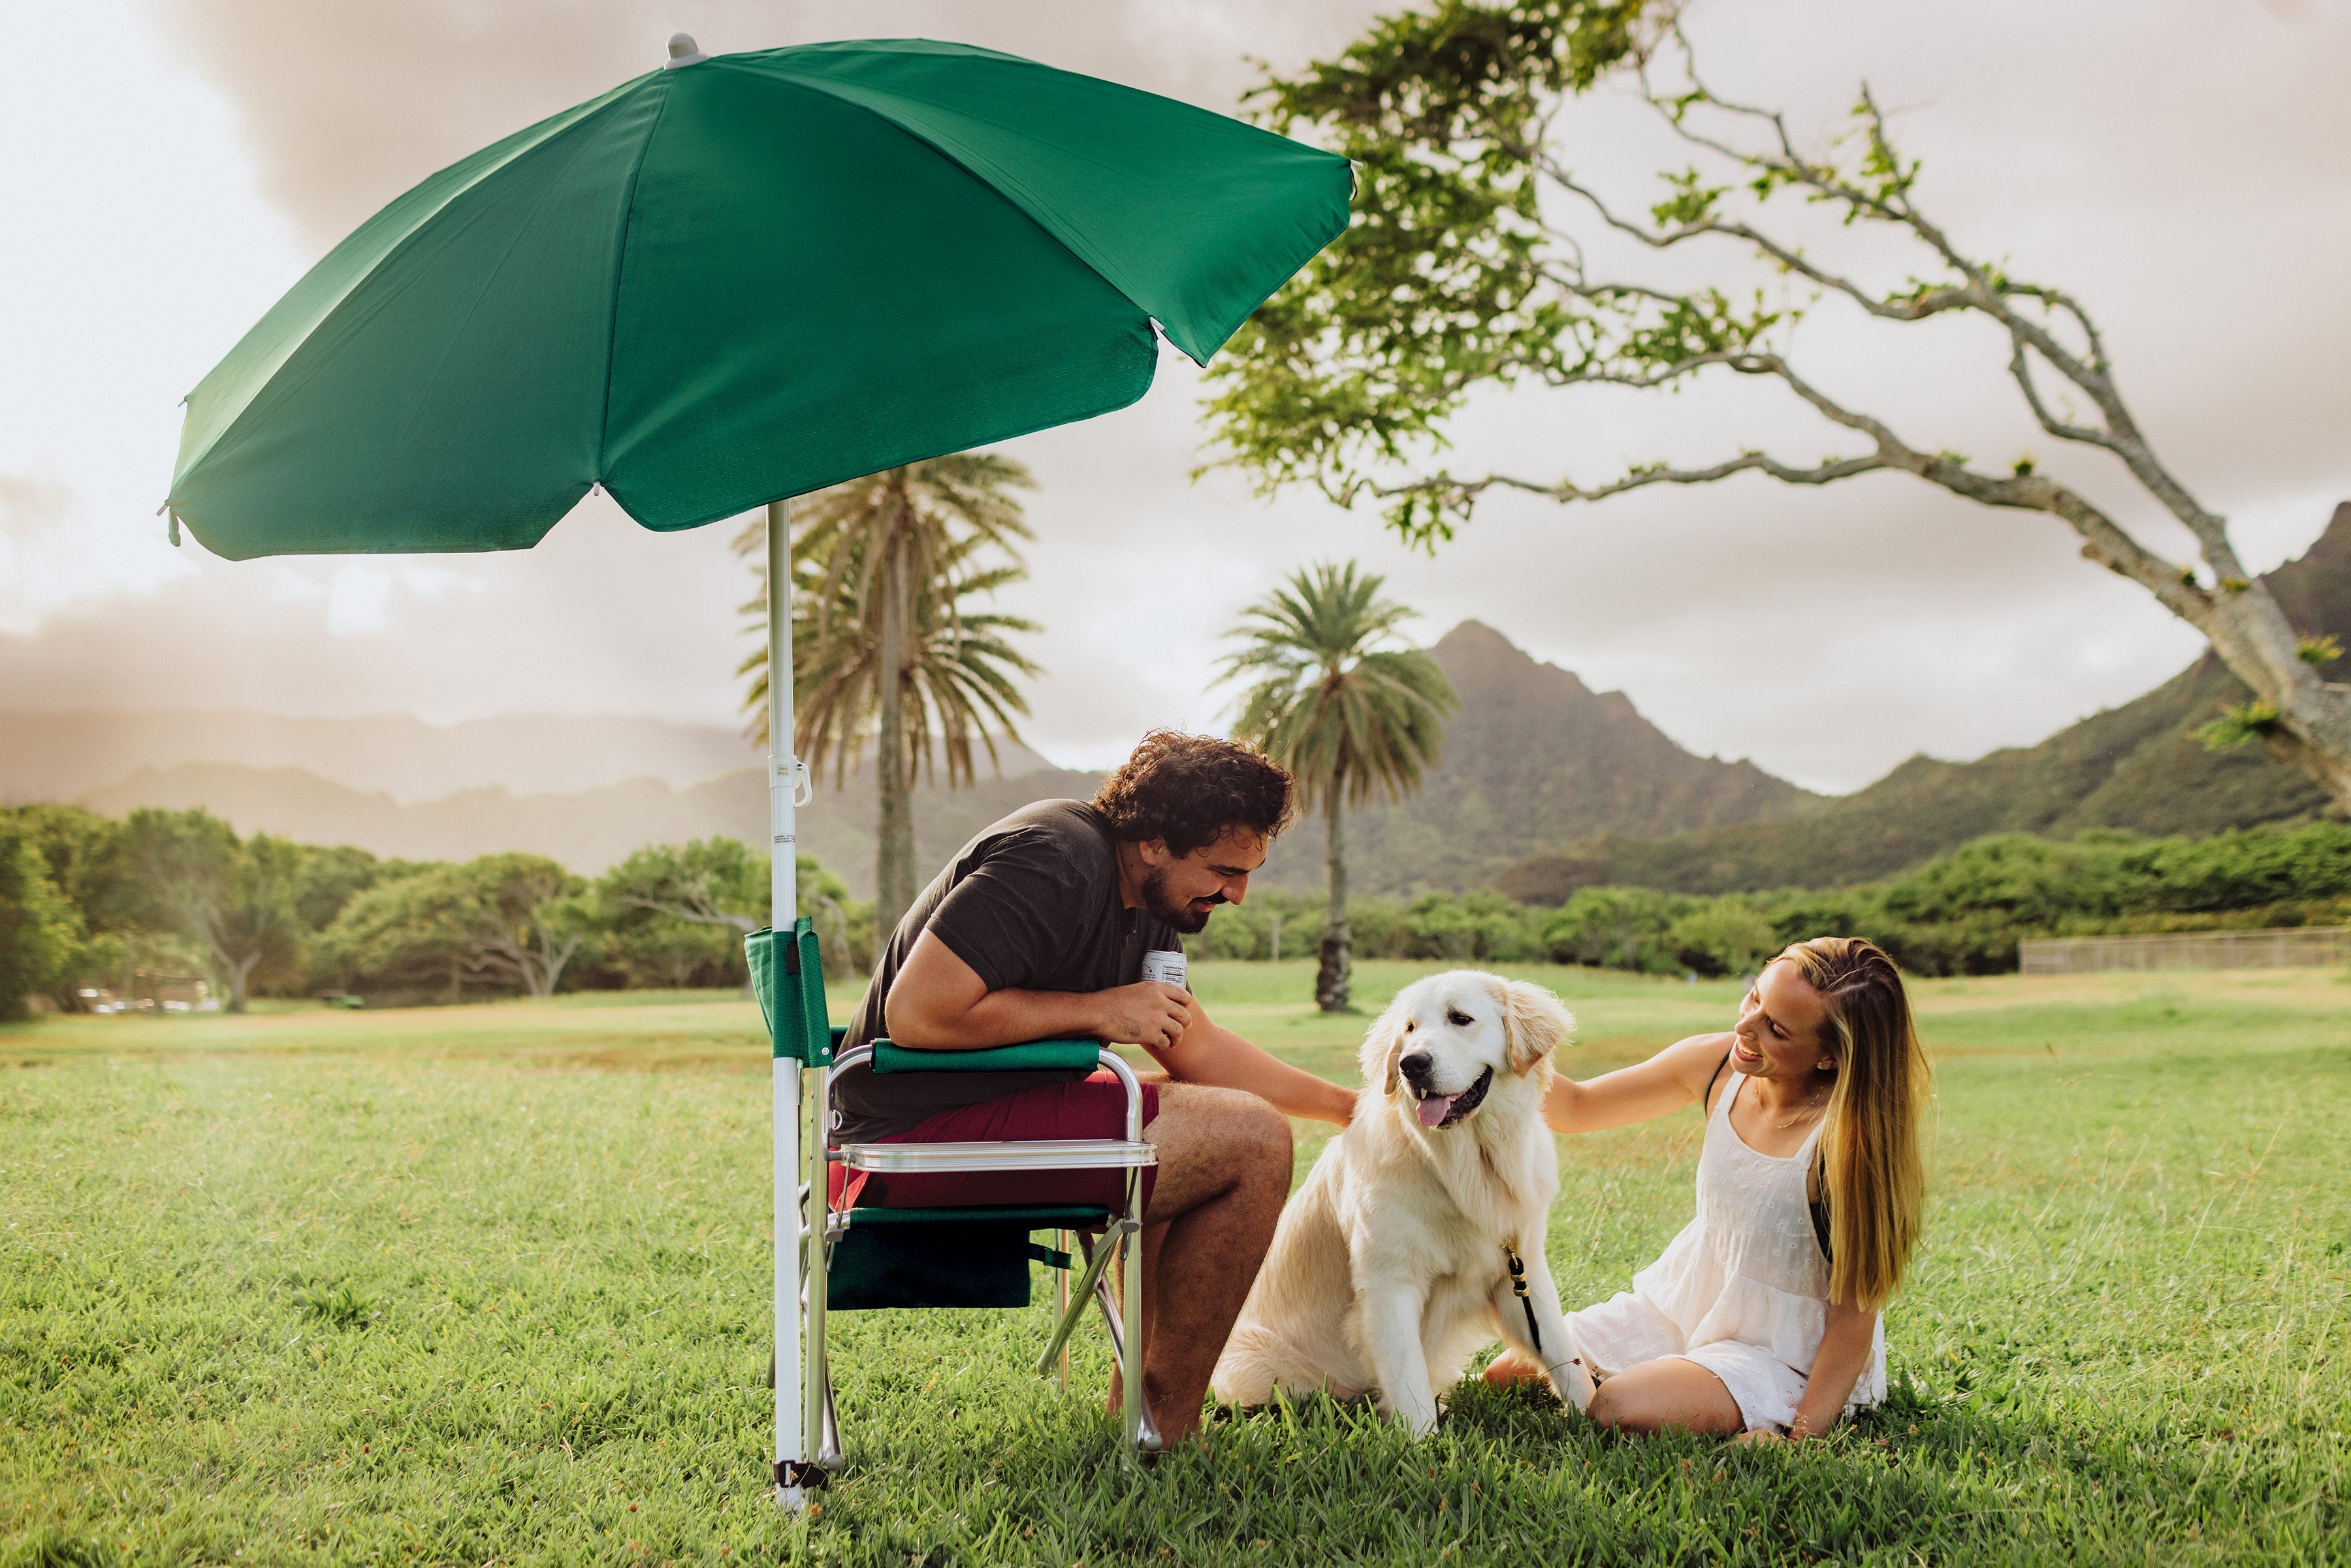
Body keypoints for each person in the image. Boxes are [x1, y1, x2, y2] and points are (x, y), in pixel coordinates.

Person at [831, 729, 1356, 1448]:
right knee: (1253, 1139)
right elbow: (918, 1013)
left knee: (1190, 1124)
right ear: (1152, 842)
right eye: (1224, 869)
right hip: (912, 1135)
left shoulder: (1157, 907)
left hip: (986, 1106)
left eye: (1247, 872)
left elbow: (1196, 1046)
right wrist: (1099, 1010)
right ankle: (1169, 1432)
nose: (1237, 892)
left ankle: (1137, 1413)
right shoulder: (1055, 858)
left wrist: (1347, 1107)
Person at [1485, 937, 1930, 1443]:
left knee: (1616, 1407)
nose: (1745, 1026)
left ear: (1828, 1058)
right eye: (1754, 998)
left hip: (1783, 1350)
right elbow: (1578, 1107)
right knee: (1507, 1372)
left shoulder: (1847, 1143)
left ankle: (1749, 1406)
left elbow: (1856, 1315)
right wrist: (1478, 1046)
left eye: (1776, 1029)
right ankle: (1681, 1377)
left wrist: (1800, 1439)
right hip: (1686, 1305)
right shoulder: (1718, 1063)